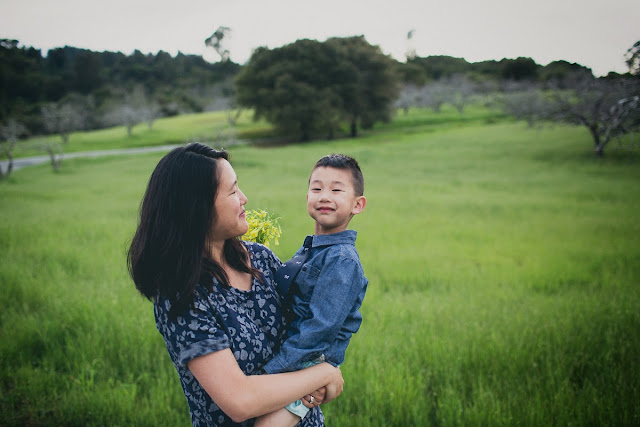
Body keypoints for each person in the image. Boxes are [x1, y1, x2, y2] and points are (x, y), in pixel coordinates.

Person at [127, 143, 343, 426]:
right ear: (198, 208)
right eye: (232, 191)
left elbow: (311, 335)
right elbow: (240, 400)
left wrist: (317, 384)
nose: (244, 198)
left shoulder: (261, 259)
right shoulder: (182, 296)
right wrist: (323, 375)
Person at [255, 154, 368, 427]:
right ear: (307, 197)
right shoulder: (314, 248)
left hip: (308, 363)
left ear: (358, 204)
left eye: (336, 190)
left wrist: (273, 371)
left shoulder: (341, 259)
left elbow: (321, 328)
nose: (324, 196)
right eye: (317, 189)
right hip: (296, 357)